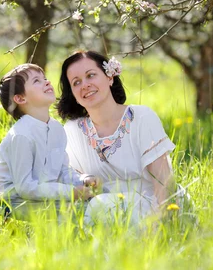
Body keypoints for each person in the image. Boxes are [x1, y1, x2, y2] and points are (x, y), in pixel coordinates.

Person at [57, 51, 181, 225]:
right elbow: (72, 186)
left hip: (151, 207)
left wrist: (163, 224)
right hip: (100, 214)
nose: (84, 85)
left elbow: (164, 182)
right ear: (73, 94)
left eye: (91, 75)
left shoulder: (141, 117)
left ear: (110, 78)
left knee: (101, 207)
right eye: (76, 82)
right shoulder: (72, 130)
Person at [0, 63, 95, 220]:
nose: (47, 82)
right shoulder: (21, 135)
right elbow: (25, 188)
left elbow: (62, 171)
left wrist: (82, 179)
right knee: (81, 210)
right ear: (20, 98)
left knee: (98, 198)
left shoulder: (57, 129)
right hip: (13, 200)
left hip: (40, 194)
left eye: (45, 78)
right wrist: (71, 193)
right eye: (36, 81)